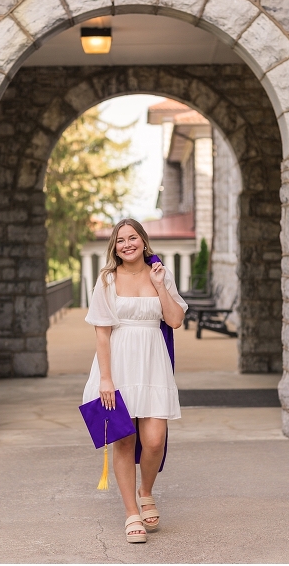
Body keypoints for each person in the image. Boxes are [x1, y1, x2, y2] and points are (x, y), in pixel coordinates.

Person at [82, 218, 188, 543]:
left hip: (153, 363)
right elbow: (102, 335)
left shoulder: (160, 274)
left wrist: (159, 285)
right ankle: (131, 512)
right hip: (119, 364)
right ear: (114, 247)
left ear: (143, 240)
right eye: (120, 240)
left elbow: (175, 320)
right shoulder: (107, 280)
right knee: (124, 440)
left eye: (132, 237)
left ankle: (146, 490)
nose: (127, 244)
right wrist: (105, 379)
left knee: (154, 439)